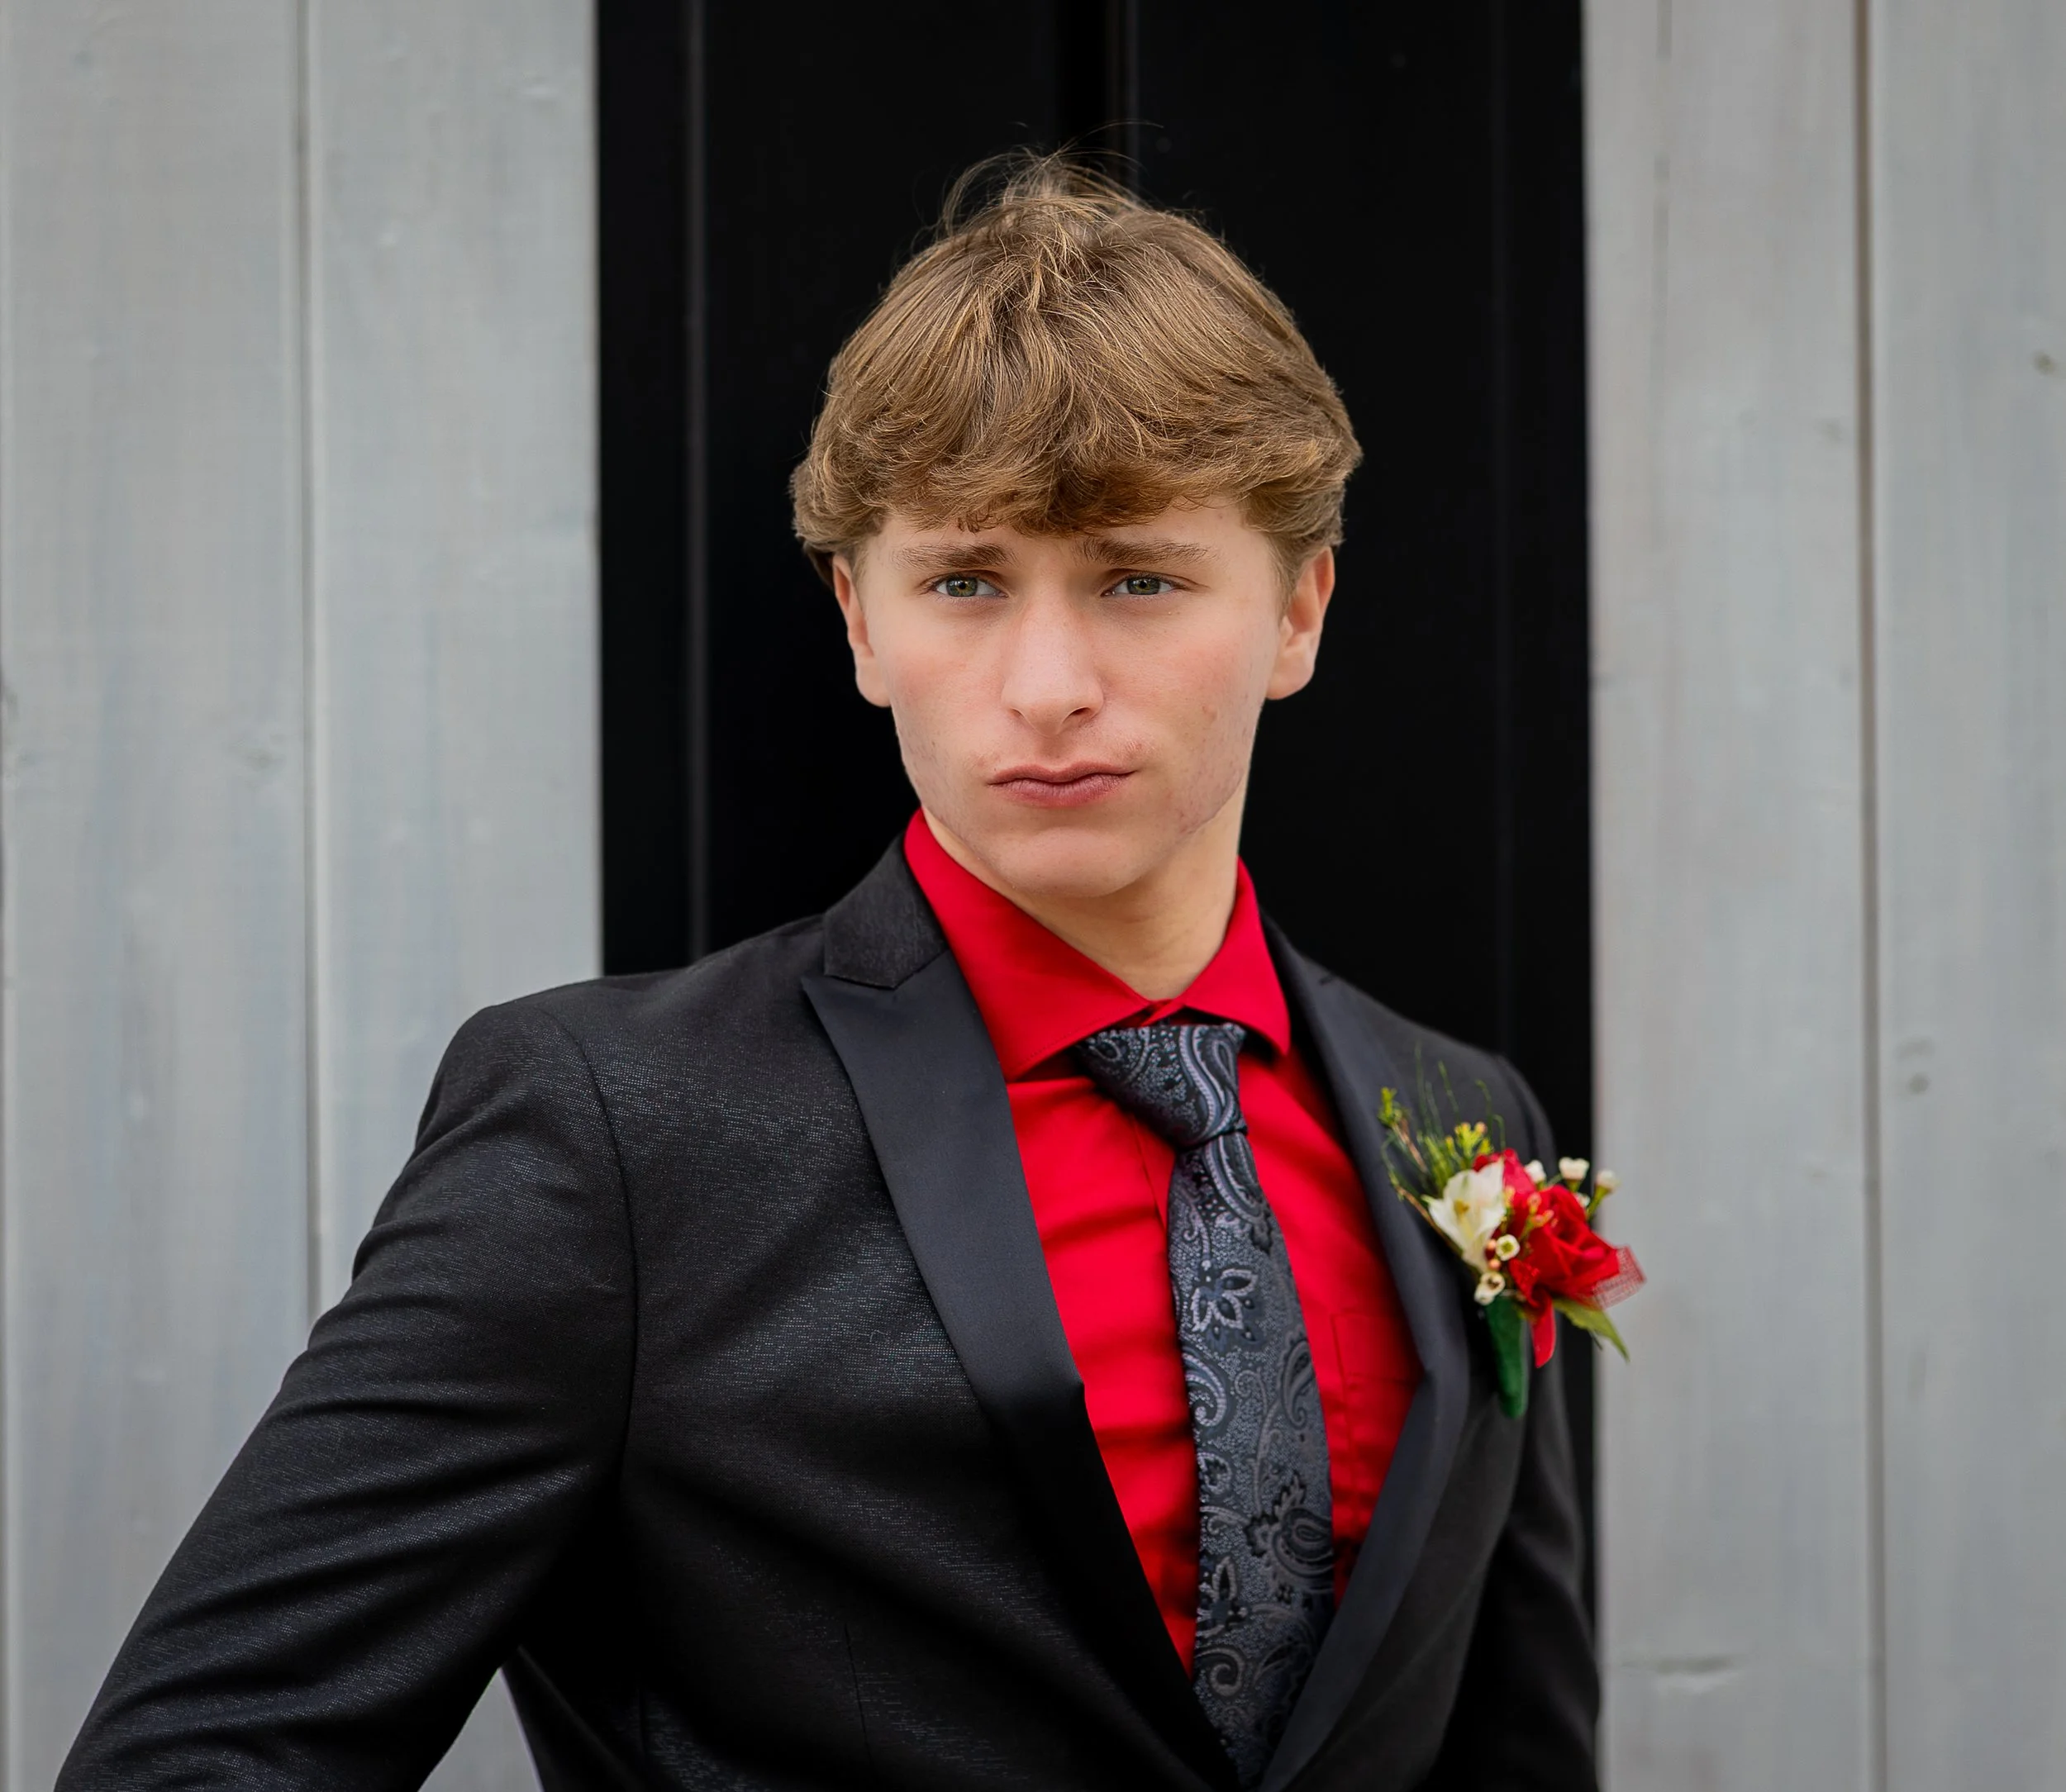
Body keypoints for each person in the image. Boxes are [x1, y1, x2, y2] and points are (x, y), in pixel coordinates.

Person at [58, 156, 1595, 1792]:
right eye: (963, 582)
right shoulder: (611, 1136)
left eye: (1137, 578)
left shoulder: (1450, 1114)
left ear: (1297, 607)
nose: (1050, 682)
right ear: (858, 621)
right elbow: (202, 1754)